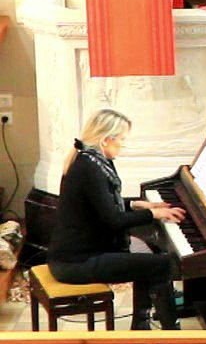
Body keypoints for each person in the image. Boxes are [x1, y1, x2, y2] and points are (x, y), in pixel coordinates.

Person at [47, 109, 186, 330]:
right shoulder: (89, 168)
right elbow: (113, 220)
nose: (123, 145)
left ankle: (141, 326)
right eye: (121, 139)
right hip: (76, 263)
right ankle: (171, 335)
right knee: (161, 265)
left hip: (77, 254)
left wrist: (136, 205)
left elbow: (101, 205)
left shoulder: (90, 160)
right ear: (105, 140)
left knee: (149, 259)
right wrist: (153, 214)